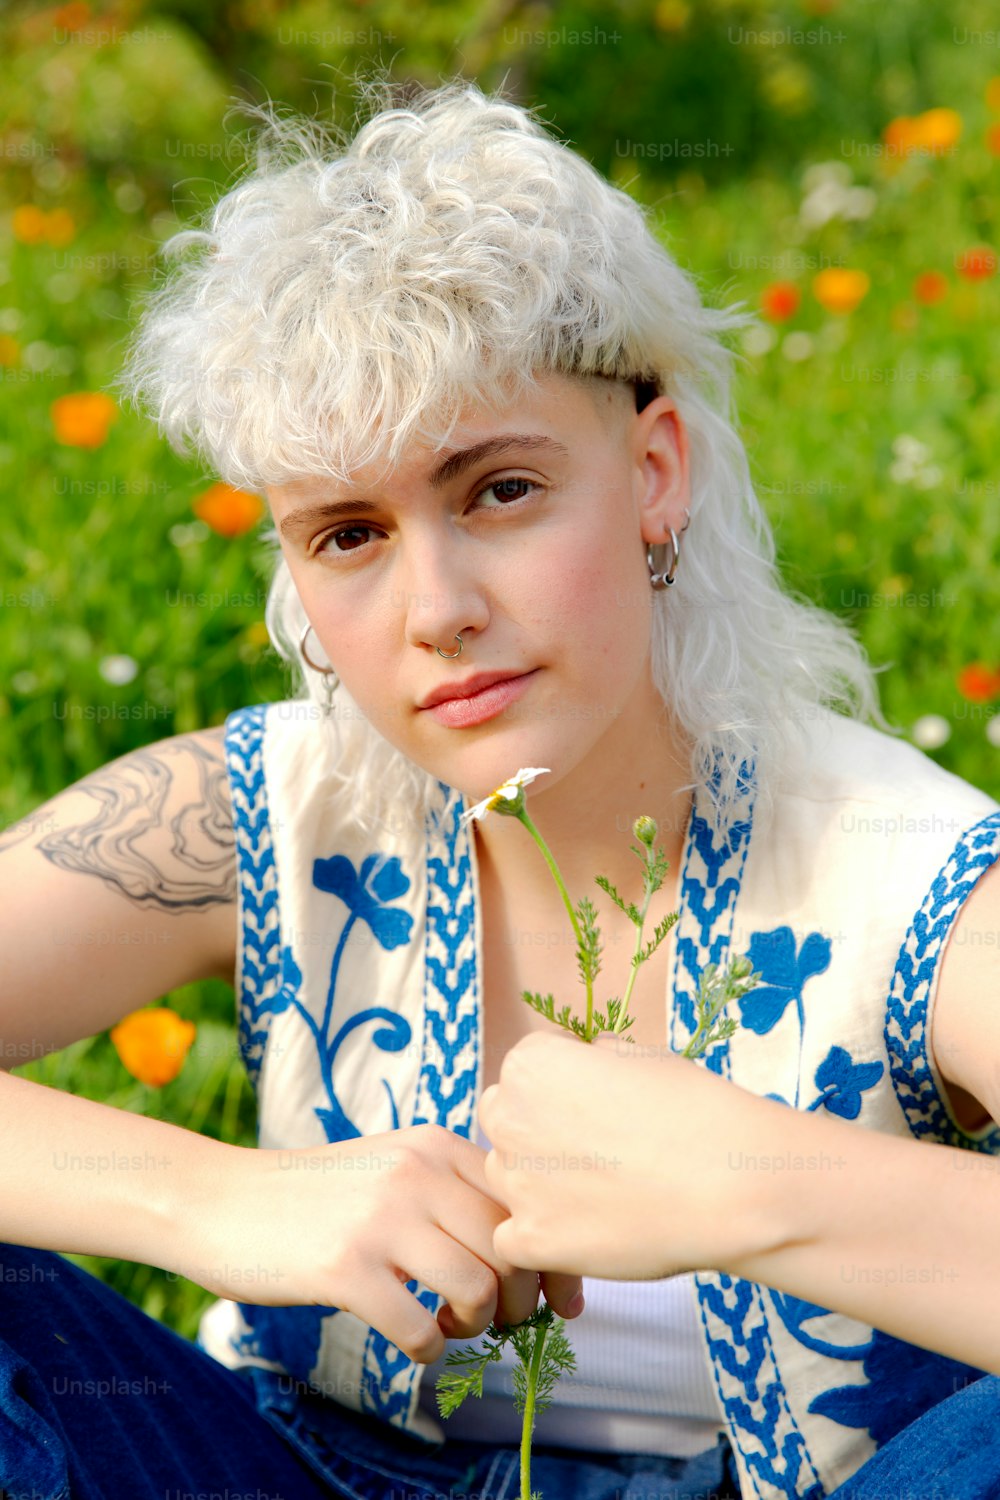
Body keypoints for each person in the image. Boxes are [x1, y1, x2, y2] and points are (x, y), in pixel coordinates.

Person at [1, 75, 998, 1500]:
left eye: (499, 491)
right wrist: (219, 1200)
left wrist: (761, 1189)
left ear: (655, 471)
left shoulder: (902, 869)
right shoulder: (259, 815)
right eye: (349, 533)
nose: (437, 608)